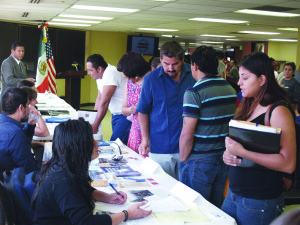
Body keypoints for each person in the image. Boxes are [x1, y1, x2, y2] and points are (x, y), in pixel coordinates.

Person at [221, 52, 296, 225]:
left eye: (245, 78)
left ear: (262, 80)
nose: (239, 82)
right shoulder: (249, 104)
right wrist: (229, 155)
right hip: (235, 193)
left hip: (260, 199)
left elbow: (288, 163)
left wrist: (243, 152)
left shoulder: (278, 111)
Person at [31, 118, 152, 224]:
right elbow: (87, 222)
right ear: (78, 147)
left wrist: (107, 197)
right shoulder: (61, 182)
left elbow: (80, 189)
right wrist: (127, 214)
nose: (97, 143)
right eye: (91, 140)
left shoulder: (63, 166)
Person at [179, 46, 237, 208]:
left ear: (195, 65)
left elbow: (187, 133)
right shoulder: (230, 89)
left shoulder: (194, 92)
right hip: (222, 158)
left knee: (196, 209)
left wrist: (183, 160)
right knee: (215, 208)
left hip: (199, 160)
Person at [136, 41, 196, 179]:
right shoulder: (151, 79)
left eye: (175, 64)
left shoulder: (194, 75)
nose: (170, 68)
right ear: (160, 60)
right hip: (160, 146)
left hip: (190, 147)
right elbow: (143, 111)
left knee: (186, 191)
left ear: (182, 60)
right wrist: (145, 139)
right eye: (166, 64)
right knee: (162, 189)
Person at [86, 54, 131, 144]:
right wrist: (93, 119)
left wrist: (95, 125)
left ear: (99, 69)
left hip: (125, 116)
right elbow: (99, 98)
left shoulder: (110, 73)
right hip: (116, 115)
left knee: (115, 145)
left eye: (90, 70)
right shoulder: (99, 76)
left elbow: (105, 102)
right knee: (120, 147)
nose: (89, 73)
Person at [0, 88, 40, 180]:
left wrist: (30, 125)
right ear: (21, 108)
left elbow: (22, 144)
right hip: (19, 182)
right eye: (27, 105)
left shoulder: (6, 125)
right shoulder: (15, 134)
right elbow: (31, 171)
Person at [118, 52, 150, 154]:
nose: (123, 76)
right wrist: (130, 110)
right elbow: (123, 109)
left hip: (151, 129)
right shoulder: (129, 84)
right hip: (135, 130)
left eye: (124, 71)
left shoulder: (150, 81)